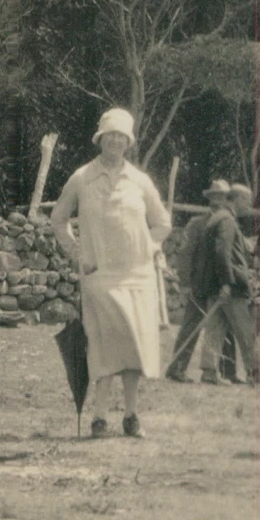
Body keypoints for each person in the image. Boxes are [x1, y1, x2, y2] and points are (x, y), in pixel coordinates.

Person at [51, 107, 172, 438]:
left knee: (134, 346)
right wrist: (79, 254)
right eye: (110, 136)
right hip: (100, 277)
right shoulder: (82, 178)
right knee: (103, 346)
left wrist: (147, 247)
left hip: (137, 278)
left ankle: (131, 416)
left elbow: (162, 224)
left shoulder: (140, 181)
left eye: (121, 136)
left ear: (128, 142)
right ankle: (99, 417)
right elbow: (58, 219)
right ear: (100, 139)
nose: (115, 141)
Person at [166, 180, 236, 383]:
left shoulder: (228, 221)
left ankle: (224, 372)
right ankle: (176, 369)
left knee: (222, 326)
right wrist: (185, 283)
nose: (218, 200)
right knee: (191, 325)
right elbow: (185, 254)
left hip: (218, 285)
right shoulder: (197, 223)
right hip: (199, 285)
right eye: (215, 196)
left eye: (222, 196)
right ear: (210, 199)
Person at [193, 182, 259, 384]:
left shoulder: (217, 217)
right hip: (229, 286)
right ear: (237, 200)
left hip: (215, 285)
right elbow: (222, 252)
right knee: (245, 329)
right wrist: (227, 283)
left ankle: (209, 371)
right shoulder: (227, 220)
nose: (249, 206)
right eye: (247, 201)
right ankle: (255, 373)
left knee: (215, 328)